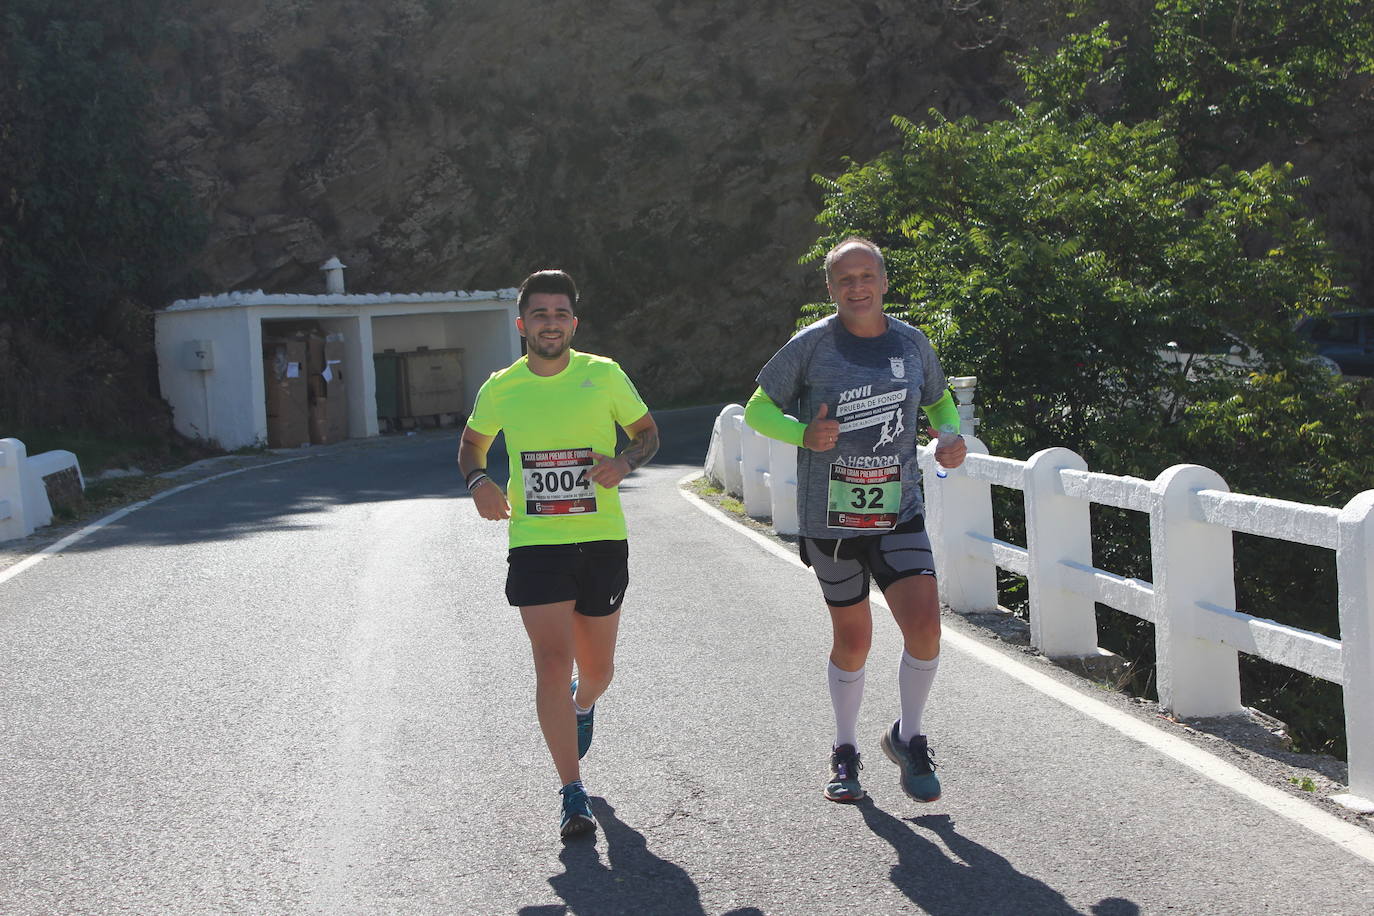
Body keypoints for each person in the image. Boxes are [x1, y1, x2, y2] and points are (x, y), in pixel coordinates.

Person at [744, 237, 967, 804]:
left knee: (925, 629)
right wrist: (803, 433)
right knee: (854, 639)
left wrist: (946, 434)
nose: (858, 287)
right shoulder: (812, 346)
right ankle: (845, 750)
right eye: (846, 280)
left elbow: (938, 401)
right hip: (832, 521)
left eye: (867, 276)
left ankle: (909, 737)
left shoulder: (912, 343)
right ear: (831, 289)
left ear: (885, 282)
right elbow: (758, 408)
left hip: (899, 513)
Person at [458, 269, 659, 839]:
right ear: (522, 324)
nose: (551, 322)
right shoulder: (501, 387)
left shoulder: (605, 374)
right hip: (536, 542)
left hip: (601, 539)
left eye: (561, 313)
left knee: (597, 670)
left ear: (574, 322)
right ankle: (573, 793)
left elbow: (647, 434)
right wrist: (479, 482)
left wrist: (624, 462)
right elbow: (472, 446)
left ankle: (583, 704)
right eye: (540, 313)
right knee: (552, 660)